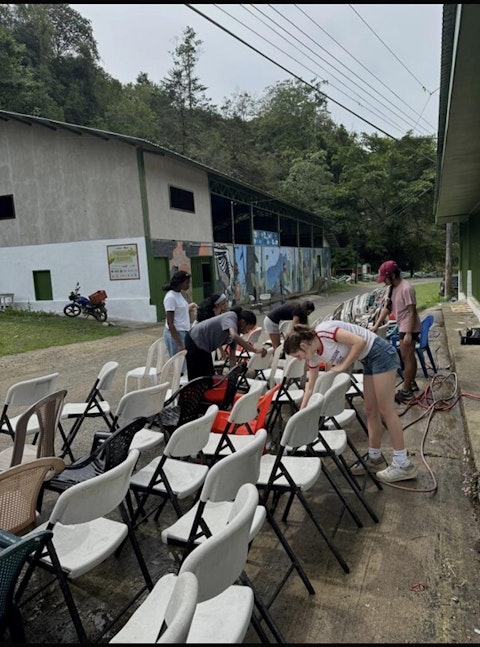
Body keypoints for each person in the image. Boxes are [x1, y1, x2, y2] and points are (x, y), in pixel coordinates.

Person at [283, 321, 418, 483]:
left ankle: (403, 464)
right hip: (368, 359)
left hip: (380, 353)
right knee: (370, 410)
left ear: (304, 346)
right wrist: (301, 416)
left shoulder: (324, 332)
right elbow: (310, 387)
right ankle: (375, 458)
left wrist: (343, 366)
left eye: (298, 356)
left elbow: (360, 341)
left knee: (386, 410)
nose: (299, 360)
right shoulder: (313, 356)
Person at [371, 260, 421, 403]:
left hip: (409, 326)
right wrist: (376, 325)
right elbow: (387, 308)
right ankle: (411, 383)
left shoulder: (406, 288)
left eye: (385, 278)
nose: (383, 281)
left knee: (407, 358)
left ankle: (406, 392)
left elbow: (412, 312)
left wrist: (409, 333)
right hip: (402, 325)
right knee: (408, 357)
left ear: (392, 275)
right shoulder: (391, 288)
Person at [185, 307, 267, 380]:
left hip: (205, 347)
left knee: (208, 376)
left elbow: (232, 356)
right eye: (248, 329)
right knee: (197, 376)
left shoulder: (235, 331)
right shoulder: (231, 316)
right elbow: (234, 336)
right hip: (194, 340)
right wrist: (255, 350)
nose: (247, 332)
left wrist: (233, 376)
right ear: (243, 322)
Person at [162, 270, 197, 358]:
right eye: (186, 283)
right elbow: (170, 323)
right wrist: (179, 344)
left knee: (185, 362)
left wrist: (192, 306)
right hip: (175, 334)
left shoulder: (179, 294)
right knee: (179, 362)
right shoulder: (170, 297)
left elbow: (180, 311)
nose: (188, 285)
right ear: (180, 283)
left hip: (184, 332)